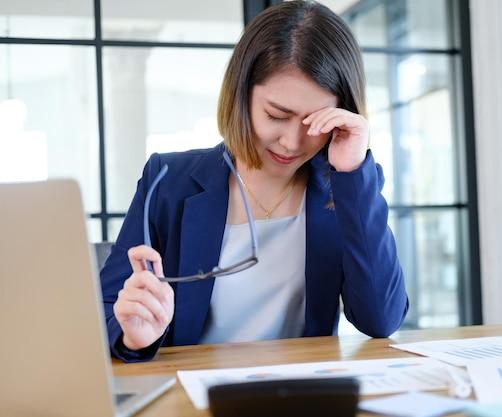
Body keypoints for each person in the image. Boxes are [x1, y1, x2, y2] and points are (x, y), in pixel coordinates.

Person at [100, 0, 409, 363]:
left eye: (314, 123)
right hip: (192, 393)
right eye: (277, 115)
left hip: (300, 393)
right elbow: (106, 311)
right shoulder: (168, 181)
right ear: (240, 95)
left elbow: (380, 318)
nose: (292, 143)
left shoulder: (344, 188)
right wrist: (134, 335)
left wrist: (352, 173)